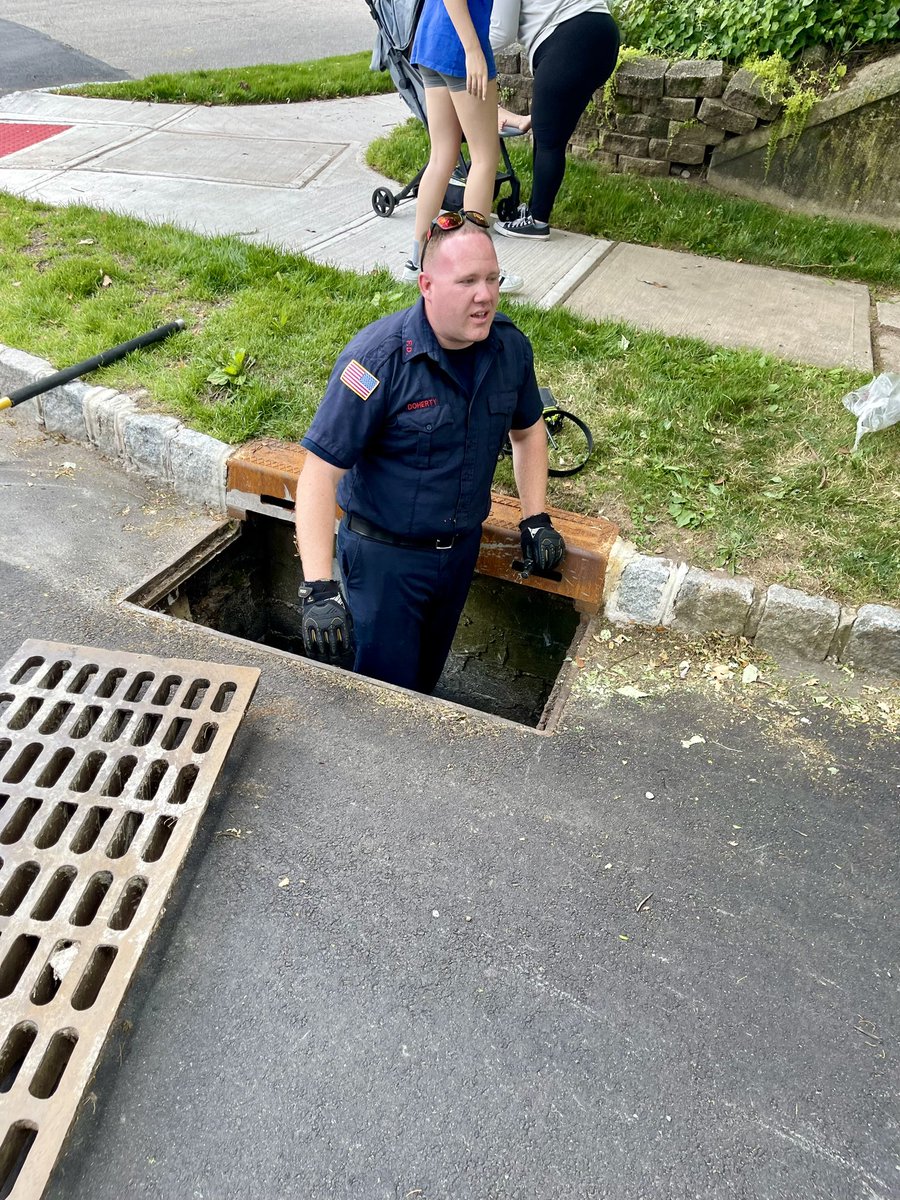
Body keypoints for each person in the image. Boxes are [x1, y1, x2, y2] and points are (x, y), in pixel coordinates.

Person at [295, 214, 566, 694]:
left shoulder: (509, 350)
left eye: (491, 278)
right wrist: (319, 587)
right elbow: (320, 473)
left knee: (423, 690)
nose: (484, 295)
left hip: (458, 555)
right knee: (383, 699)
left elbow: (528, 432)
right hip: (385, 563)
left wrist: (536, 518)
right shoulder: (376, 361)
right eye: (467, 282)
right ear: (427, 285)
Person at [404, 0, 523, 294]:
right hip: (460, 48)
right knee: (484, 159)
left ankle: (417, 260)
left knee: (442, 156)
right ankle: (476, 265)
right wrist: (473, 51)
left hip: (432, 42)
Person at [489, 0, 620, 239]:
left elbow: (501, 32)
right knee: (549, 129)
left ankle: (537, 222)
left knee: (549, 139)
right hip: (602, 31)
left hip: (569, 38)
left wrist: (463, 51)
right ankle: (534, 211)